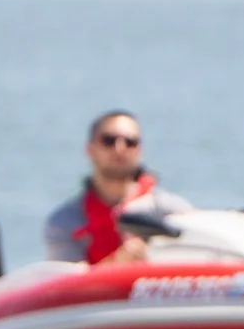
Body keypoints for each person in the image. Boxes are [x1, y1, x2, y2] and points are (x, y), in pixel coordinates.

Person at [43, 110, 191, 266]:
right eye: (109, 140)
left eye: (130, 142)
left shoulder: (173, 211)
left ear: (139, 151)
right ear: (90, 150)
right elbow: (66, 284)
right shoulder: (65, 221)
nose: (120, 149)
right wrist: (119, 262)